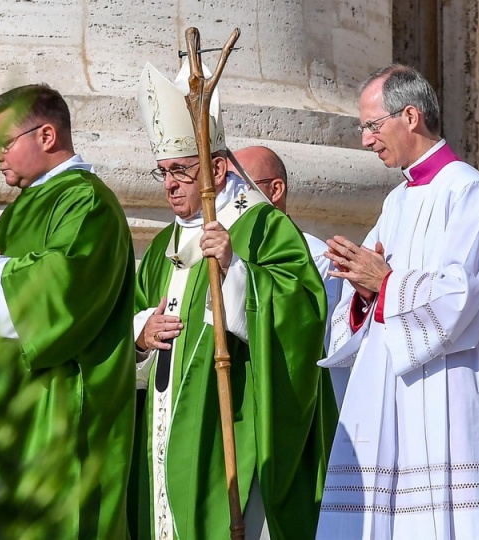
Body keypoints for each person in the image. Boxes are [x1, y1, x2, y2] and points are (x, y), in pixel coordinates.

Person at [317, 64, 479, 539]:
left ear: (410, 116)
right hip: (394, 399)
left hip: (447, 391)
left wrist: (386, 283)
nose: (366, 140)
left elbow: (463, 295)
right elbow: (369, 292)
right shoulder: (397, 202)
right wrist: (363, 291)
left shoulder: (468, 192)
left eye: (372, 125)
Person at [129, 61, 337, 540]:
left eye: (180, 171)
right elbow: (140, 318)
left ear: (218, 169)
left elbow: (303, 316)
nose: (169, 185)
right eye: (162, 172)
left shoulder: (263, 227)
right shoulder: (163, 245)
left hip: (234, 435)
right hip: (165, 434)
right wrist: (142, 335)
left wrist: (236, 271)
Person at [0, 84, 136, 539]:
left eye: (4, 144)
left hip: (66, 404)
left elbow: (64, 287)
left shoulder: (85, 201)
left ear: (47, 136)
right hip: (17, 407)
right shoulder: (25, 205)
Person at [229, 146, 346, 407]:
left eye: (240, 188)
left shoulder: (316, 257)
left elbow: (305, 340)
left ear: (275, 190)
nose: (230, 200)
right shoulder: (227, 253)